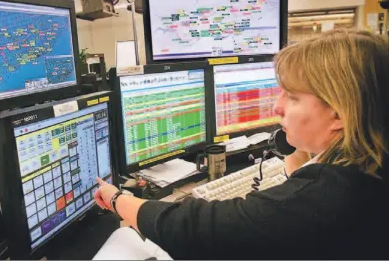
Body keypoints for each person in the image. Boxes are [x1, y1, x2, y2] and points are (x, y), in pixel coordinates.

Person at [94, 30, 389, 259]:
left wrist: (118, 200)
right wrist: (301, 148)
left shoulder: (334, 192)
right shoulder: (369, 160)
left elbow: (201, 230)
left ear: (339, 112)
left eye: (293, 97)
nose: (277, 107)